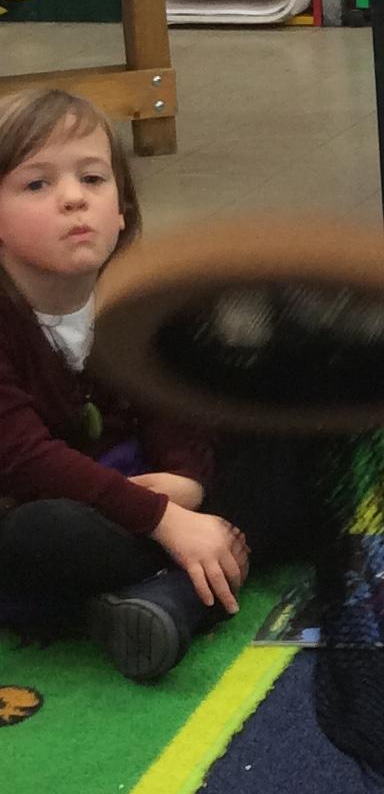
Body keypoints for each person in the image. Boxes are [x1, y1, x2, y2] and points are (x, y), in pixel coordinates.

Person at [0, 89, 247, 681]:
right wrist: (162, 518)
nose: (73, 199)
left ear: (122, 211)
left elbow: (176, 403)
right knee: (40, 534)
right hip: (33, 505)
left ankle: (166, 595)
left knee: (287, 427)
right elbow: (26, 461)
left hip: (127, 491)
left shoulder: (138, 295)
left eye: (92, 178)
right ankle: (190, 583)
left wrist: (186, 479)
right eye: (36, 184)